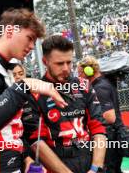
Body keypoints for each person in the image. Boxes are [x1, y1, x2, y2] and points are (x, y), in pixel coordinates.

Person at [0, 9, 68, 173]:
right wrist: (24, 86)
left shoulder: (5, 68)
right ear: (9, 31)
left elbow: (10, 128)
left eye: (34, 41)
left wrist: (26, 158)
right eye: (29, 38)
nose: (31, 46)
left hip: (11, 164)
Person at [22, 35, 107, 173]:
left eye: (69, 62)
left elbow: (99, 128)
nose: (66, 68)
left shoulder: (84, 86)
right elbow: (36, 142)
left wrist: (95, 168)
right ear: (45, 62)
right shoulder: (34, 92)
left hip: (88, 159)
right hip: (56, 163)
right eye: (60, 64)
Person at [77, 56, 124, 173]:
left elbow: (110, 117)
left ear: (88, 71)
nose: (78, 77)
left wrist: (88, 118)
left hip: (109, 137)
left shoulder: (99, 88)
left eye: (79, 73)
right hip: (113, 135)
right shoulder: (104, 83)